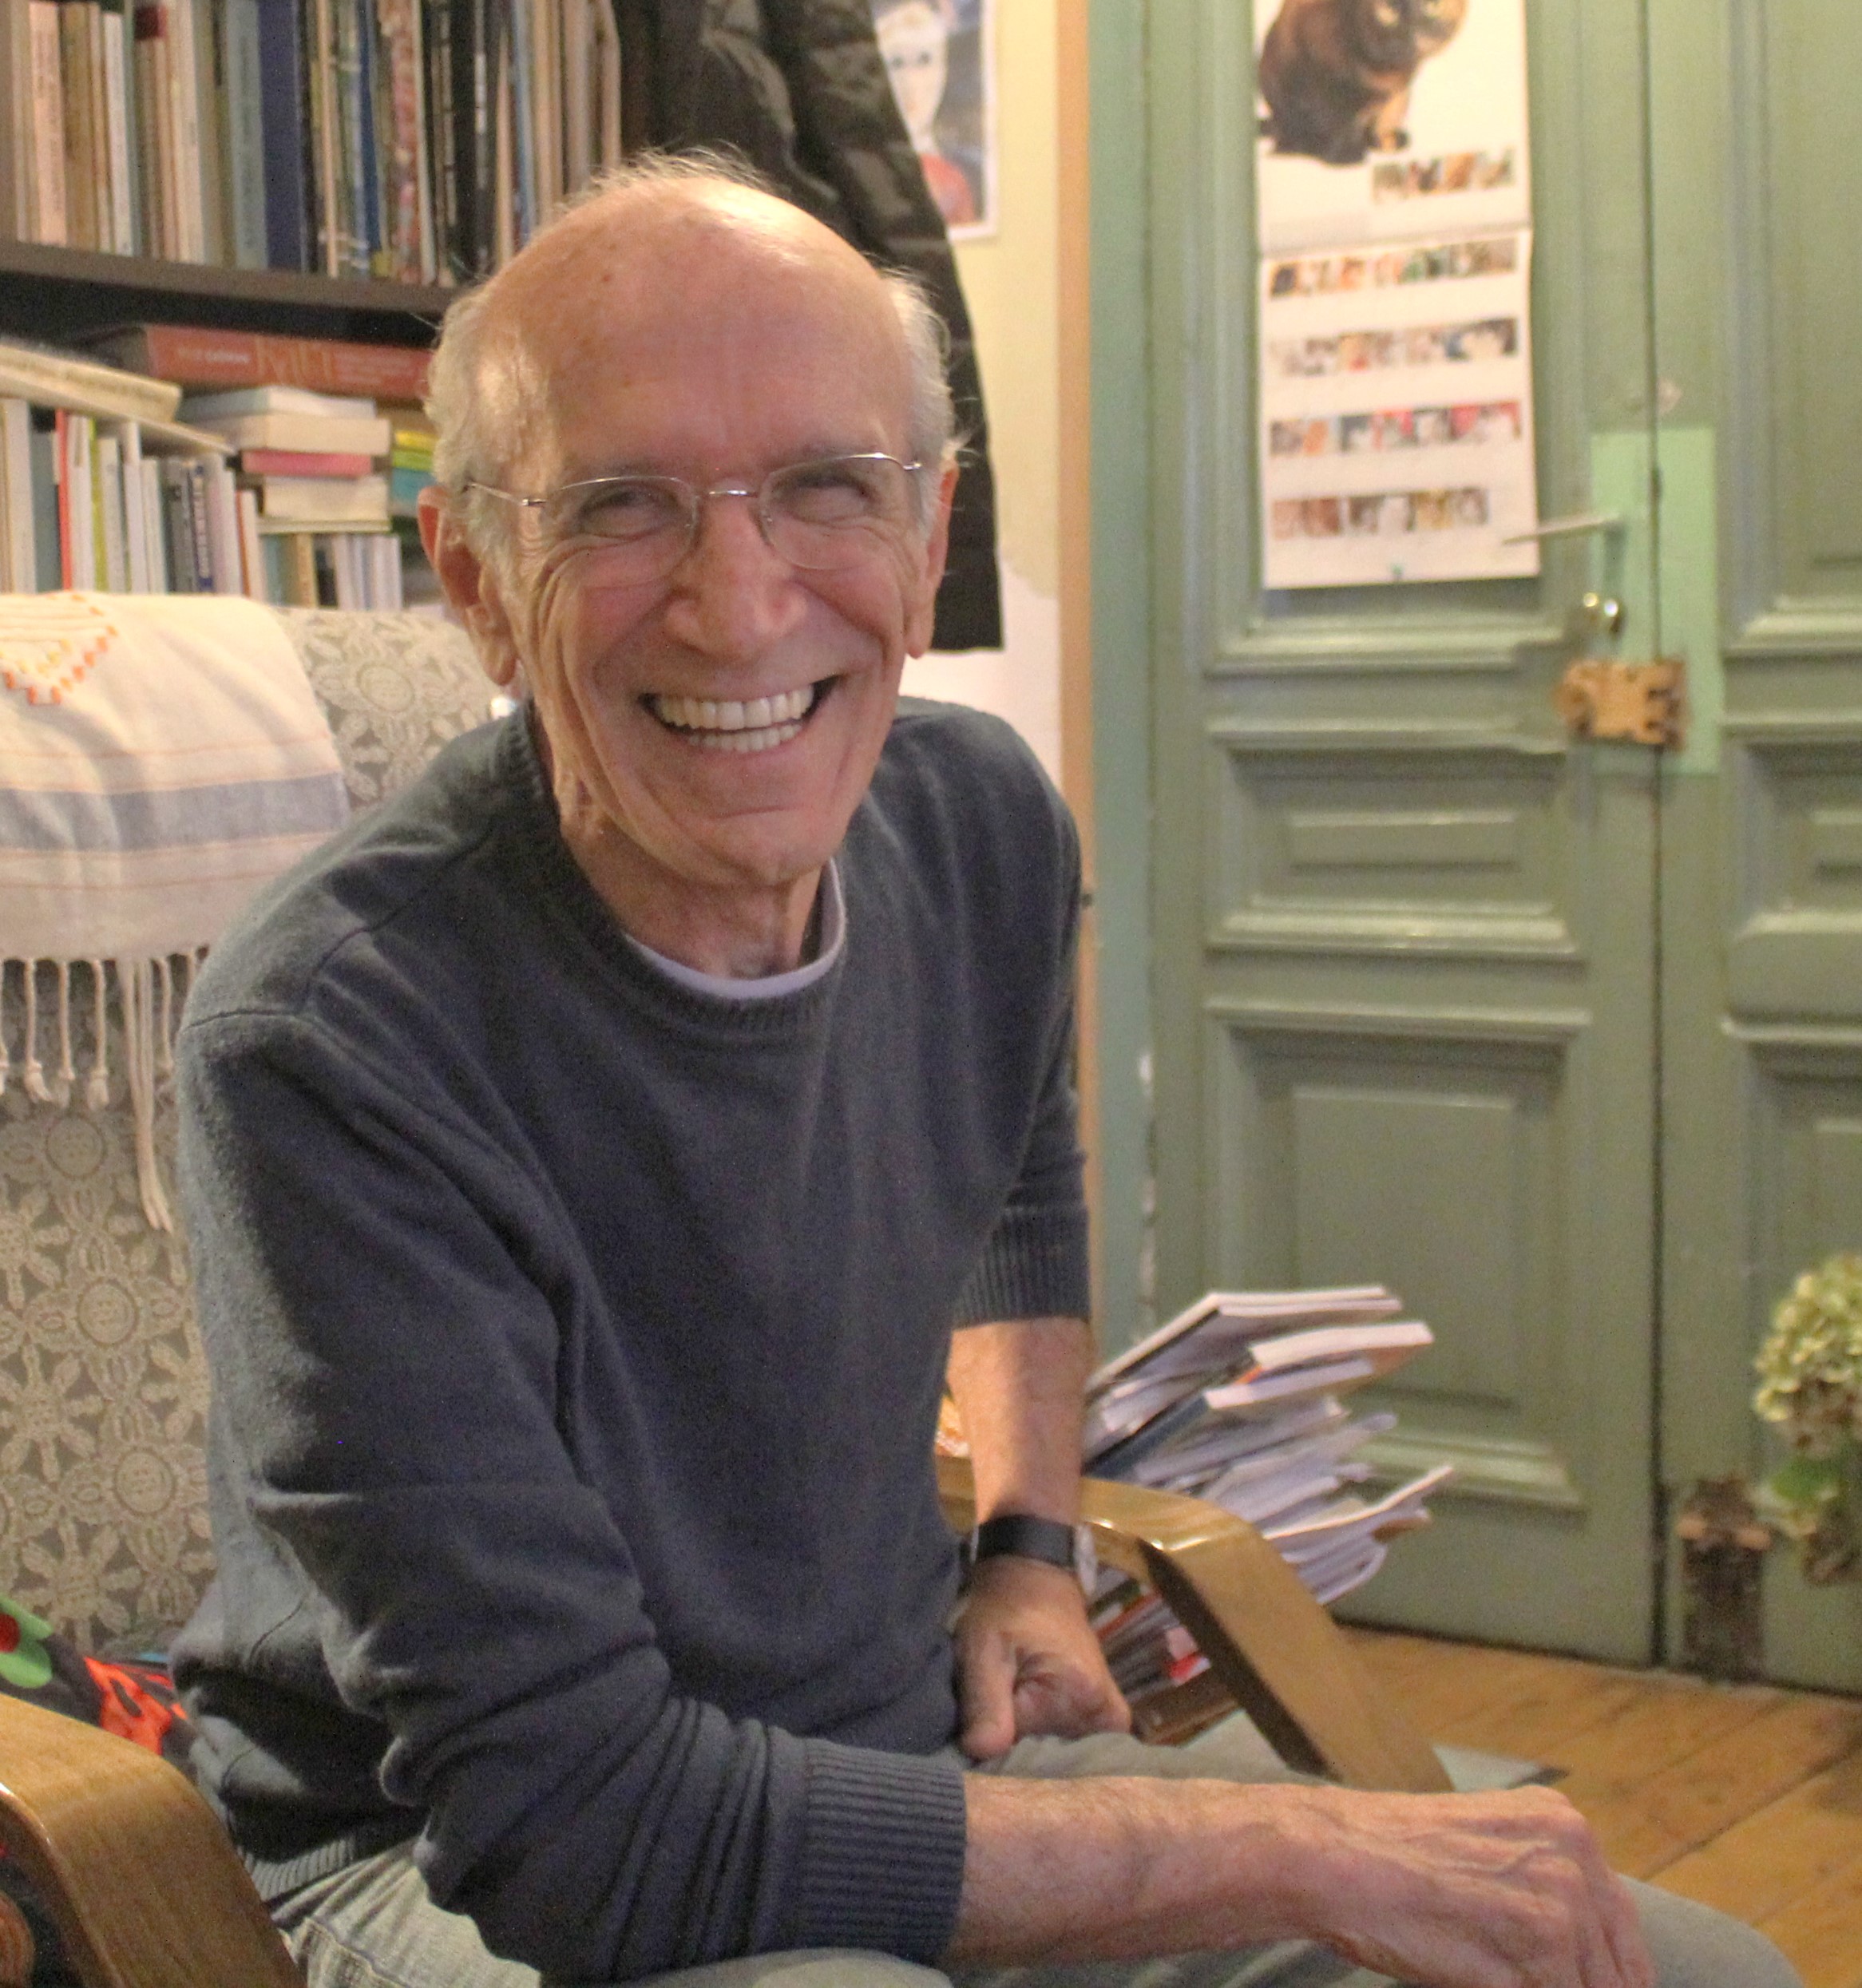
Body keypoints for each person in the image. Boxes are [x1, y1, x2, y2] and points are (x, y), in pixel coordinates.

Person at [170, 155, 1798, 1988]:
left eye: (825, 488)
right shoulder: (328, 1043)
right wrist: (1291, 1844)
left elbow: (1016, 1177)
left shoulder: (977, 829)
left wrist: (1025, 1541)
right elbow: (582, 1837)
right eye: (621, 506)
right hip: (458, 1861)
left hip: (898, 1752)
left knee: (1697, 1976)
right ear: (475, 580)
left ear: (928, 531)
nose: (736, 603)